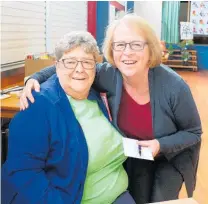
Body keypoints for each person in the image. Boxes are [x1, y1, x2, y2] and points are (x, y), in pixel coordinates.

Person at [20, 14, 202, 204]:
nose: (127, 52)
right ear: (112, 50)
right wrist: (34, 78)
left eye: (136, 45)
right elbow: (70, 67)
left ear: (150, 49)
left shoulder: (174, 86)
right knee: (137, 197)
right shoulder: (109, 74)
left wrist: (159, 145)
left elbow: (194, 132)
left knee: (159, 199)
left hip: (169, 156)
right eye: (120, 45)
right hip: (135, 153)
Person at [2, 31, 136, 204]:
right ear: (57, 66)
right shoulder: (37, 105)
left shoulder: (96, 94)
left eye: (87, 62)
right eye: (70, 62)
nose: (79, 69)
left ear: (95, 67)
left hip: (118, 194)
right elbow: (23, 173)